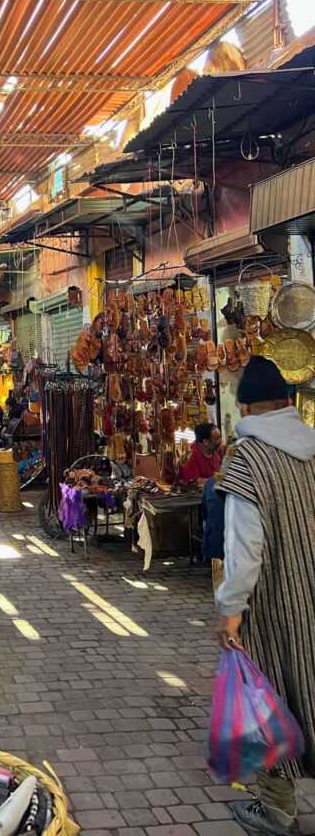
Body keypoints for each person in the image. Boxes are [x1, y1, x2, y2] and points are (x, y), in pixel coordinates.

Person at [215, 356, 315, 835]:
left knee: (271, 701)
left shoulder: (249, 459)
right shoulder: (313, 450)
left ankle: (278, 813)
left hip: (275, 609)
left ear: (247, 408)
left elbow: (244, 546)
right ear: (289, 404)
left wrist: (231, 610)